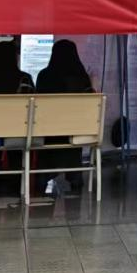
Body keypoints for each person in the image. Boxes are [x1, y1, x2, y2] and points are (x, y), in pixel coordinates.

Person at [37, 39, 95, 194]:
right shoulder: (83, 78)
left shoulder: (44, 76)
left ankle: (43, 176)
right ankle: (75, 177)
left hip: (49, 133)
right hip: (75, 132)